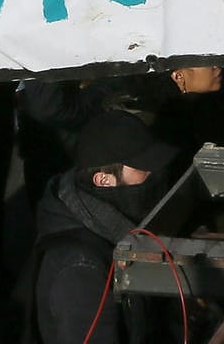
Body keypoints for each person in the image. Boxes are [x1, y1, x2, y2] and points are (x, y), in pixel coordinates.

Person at [25, 109, 178, 344]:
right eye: (142, 168)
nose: (153, 174)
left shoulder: (109, 228)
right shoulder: (81, 271)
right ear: (104, 180)